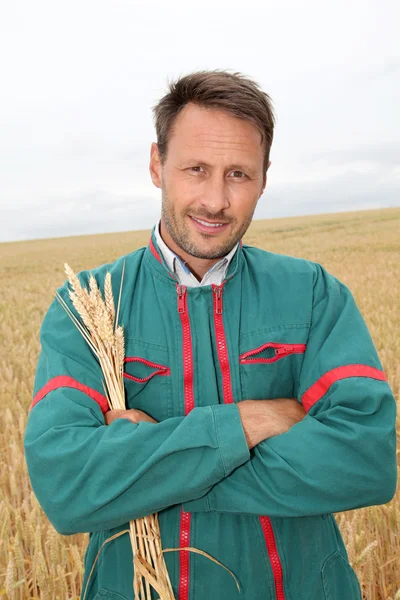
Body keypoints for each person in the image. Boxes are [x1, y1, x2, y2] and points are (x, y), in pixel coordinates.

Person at [24, 70, 397, 600]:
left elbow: (367, 462)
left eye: (239, 174)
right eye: (196, 169)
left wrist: (146, 474)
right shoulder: (87, 304)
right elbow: (67, 486)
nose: (216, 200)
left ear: (265, 178)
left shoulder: (313, 294)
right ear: (157, 164)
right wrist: (250, 422)